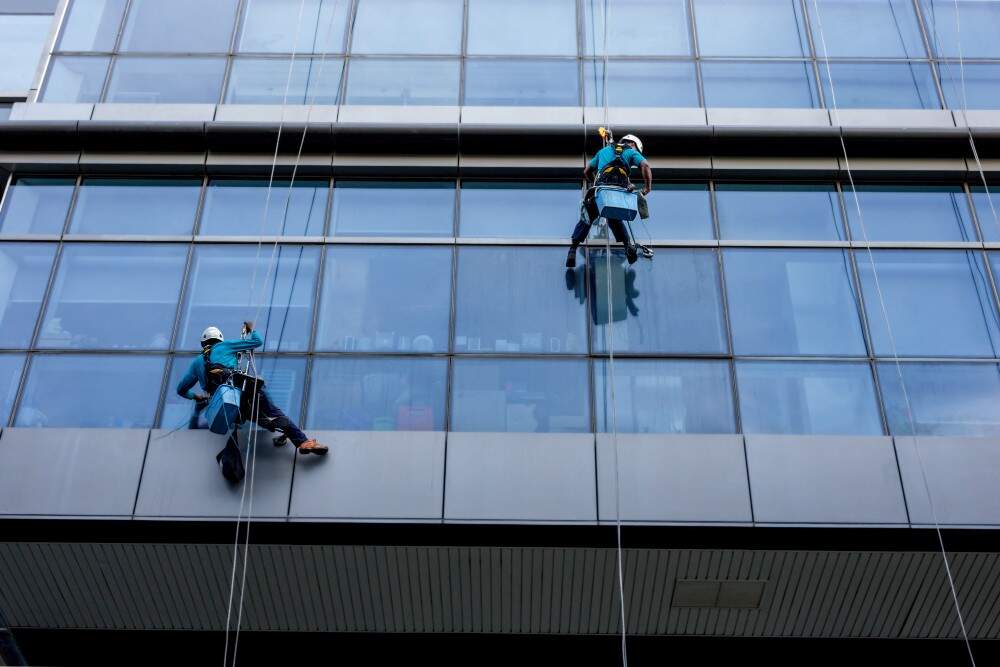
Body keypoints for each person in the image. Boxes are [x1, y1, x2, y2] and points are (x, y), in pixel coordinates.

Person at [176, 322, 328, 472]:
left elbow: (181, 389)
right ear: (219, 339)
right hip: (240, 391)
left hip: (228, 403)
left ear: (204, 343)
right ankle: (303, 442)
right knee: (273, 412)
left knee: (260, 417)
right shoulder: (225, 346)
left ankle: (283, 434)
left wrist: (196, 397)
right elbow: (257, 341)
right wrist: (250, 328)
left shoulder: (196, 362)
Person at [566, 133, 653, 268]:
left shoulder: (603, 151)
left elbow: (587, 171)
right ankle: (627, 245)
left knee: (587, 217)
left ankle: (573, 248)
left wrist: (595, 183)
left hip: (601, 192)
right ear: (633, 144)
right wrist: (647, 188)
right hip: (618, 193)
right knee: (615, 218)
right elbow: (645, 166)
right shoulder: (630, 152)